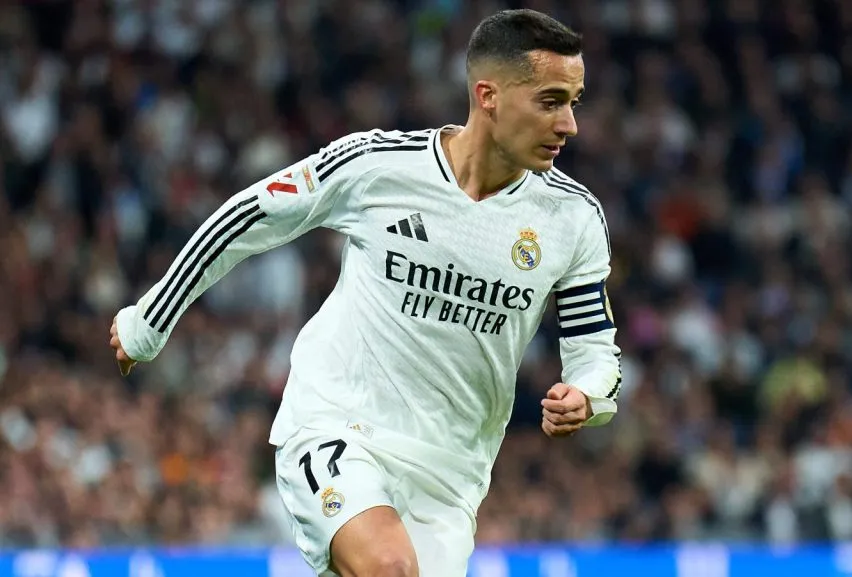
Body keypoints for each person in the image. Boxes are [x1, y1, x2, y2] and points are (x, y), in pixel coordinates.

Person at [108, 8, 621, 577]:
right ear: (488, 96)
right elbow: (250, 215)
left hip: (451, 476)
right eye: (551, 101)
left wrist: (588, 396)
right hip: (338, 423)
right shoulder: (379, 165)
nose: (569, 124)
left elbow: (594, 351)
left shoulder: (573, 218)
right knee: (388, 569)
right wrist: (148, 322)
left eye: (575, 102)